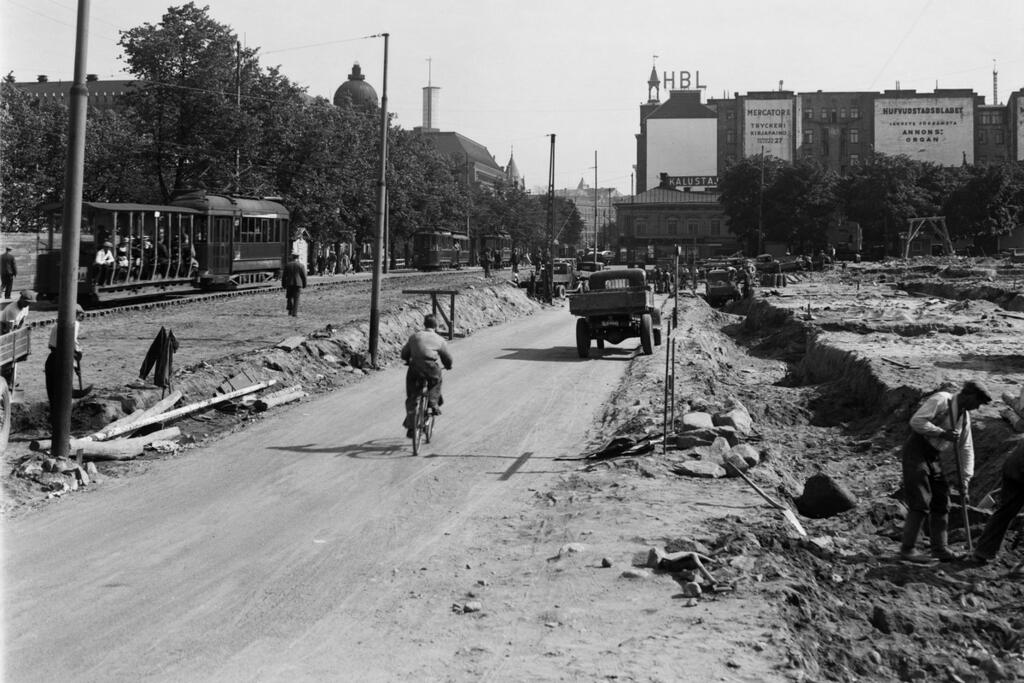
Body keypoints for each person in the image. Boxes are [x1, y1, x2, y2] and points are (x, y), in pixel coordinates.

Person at [898, 379, 993, 563]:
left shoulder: (964, 417)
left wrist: (965, 478)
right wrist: (941, 432)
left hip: (934, 455)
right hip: (917, 451)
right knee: (920, 500)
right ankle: (908, 549)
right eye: (978, 402)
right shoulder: (942, 400)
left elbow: (966, 447)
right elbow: (916, 421)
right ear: (969, 395)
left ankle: (940, 548)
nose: (978, 407)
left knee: (942, 500)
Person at [400, 314, 453, 439]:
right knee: (436, 381)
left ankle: (412, 427)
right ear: (436, 326)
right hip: (430, 367)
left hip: (415, 367)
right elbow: (447, 358)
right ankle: (433, 403)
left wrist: (408, 359)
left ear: (424, 324)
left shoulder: (415, 336)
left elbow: (404, 354)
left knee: (413, 396)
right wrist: (448, 366)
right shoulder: (439, 339)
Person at [971, 440, 1024, 565]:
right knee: (1006, 511)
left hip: (1014, 466)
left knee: (1005, 511)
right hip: (1018, 469)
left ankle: (983, 551)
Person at [45, 304, 86, 431]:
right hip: (61, 360)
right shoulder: (73, 323)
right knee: (62, 397)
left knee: (53, 395)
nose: (80, 319)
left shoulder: (58, 324)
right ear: (76, 314)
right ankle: (62, 429)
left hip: (51, 359)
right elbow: (71, 343)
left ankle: (55, 428)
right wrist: (77, 355)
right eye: (80, 315)